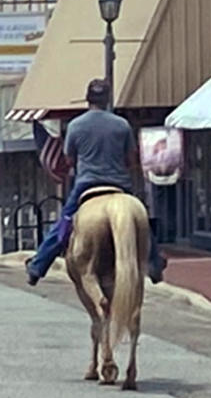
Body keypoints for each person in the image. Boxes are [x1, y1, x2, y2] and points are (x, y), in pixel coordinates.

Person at [26, 79, 167, 286]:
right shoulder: (122, 125)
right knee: (141, 221)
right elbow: (130, 159)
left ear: (88, 99)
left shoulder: (75, 126)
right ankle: (154, 264)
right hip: (120, 185)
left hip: (87, 184)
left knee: (64, 224)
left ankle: (38, 266)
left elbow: (69, 159)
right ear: (107, 99)